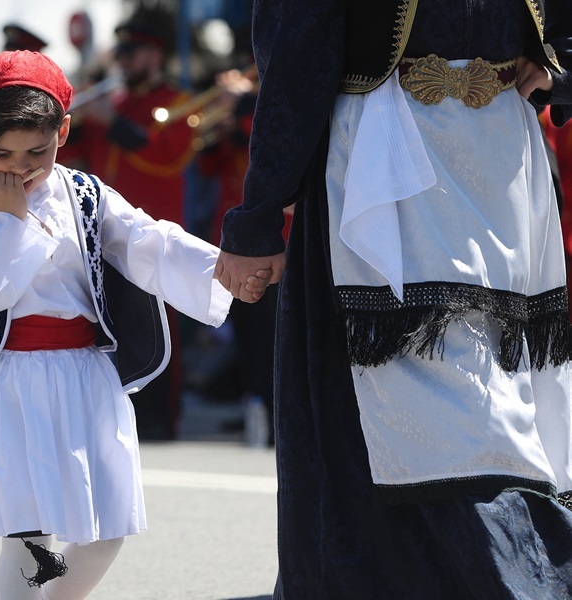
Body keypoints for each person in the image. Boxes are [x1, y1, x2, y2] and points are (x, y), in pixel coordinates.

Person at [216, 0, 572, 596]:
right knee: (476, 392)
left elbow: (299, 53)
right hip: (463, 154)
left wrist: (256, 219)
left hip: (414, 158)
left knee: (441, 395)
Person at [0, 50, 238, 599]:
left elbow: (146, 240)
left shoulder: (86, 194)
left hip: (87, 375)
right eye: (4, 154)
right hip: (8, 382)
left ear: (63, 132)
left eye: (36, 152)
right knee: (28, 537)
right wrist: (8, 224)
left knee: (110, 524)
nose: (20, 167)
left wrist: (224, 269)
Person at [59, 17, 198, 440]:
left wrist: (111, 121)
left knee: (157, 324)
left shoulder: (179, 100)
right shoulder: (113, 101)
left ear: (154, 55)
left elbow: (167, 156)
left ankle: (160, 418)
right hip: (104, 230)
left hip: (154, 227)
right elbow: (76, 154)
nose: (123, 61)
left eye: (130, 53)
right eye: (119, 54)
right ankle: (121, 411)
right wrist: (71, 122)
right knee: (113, 321)